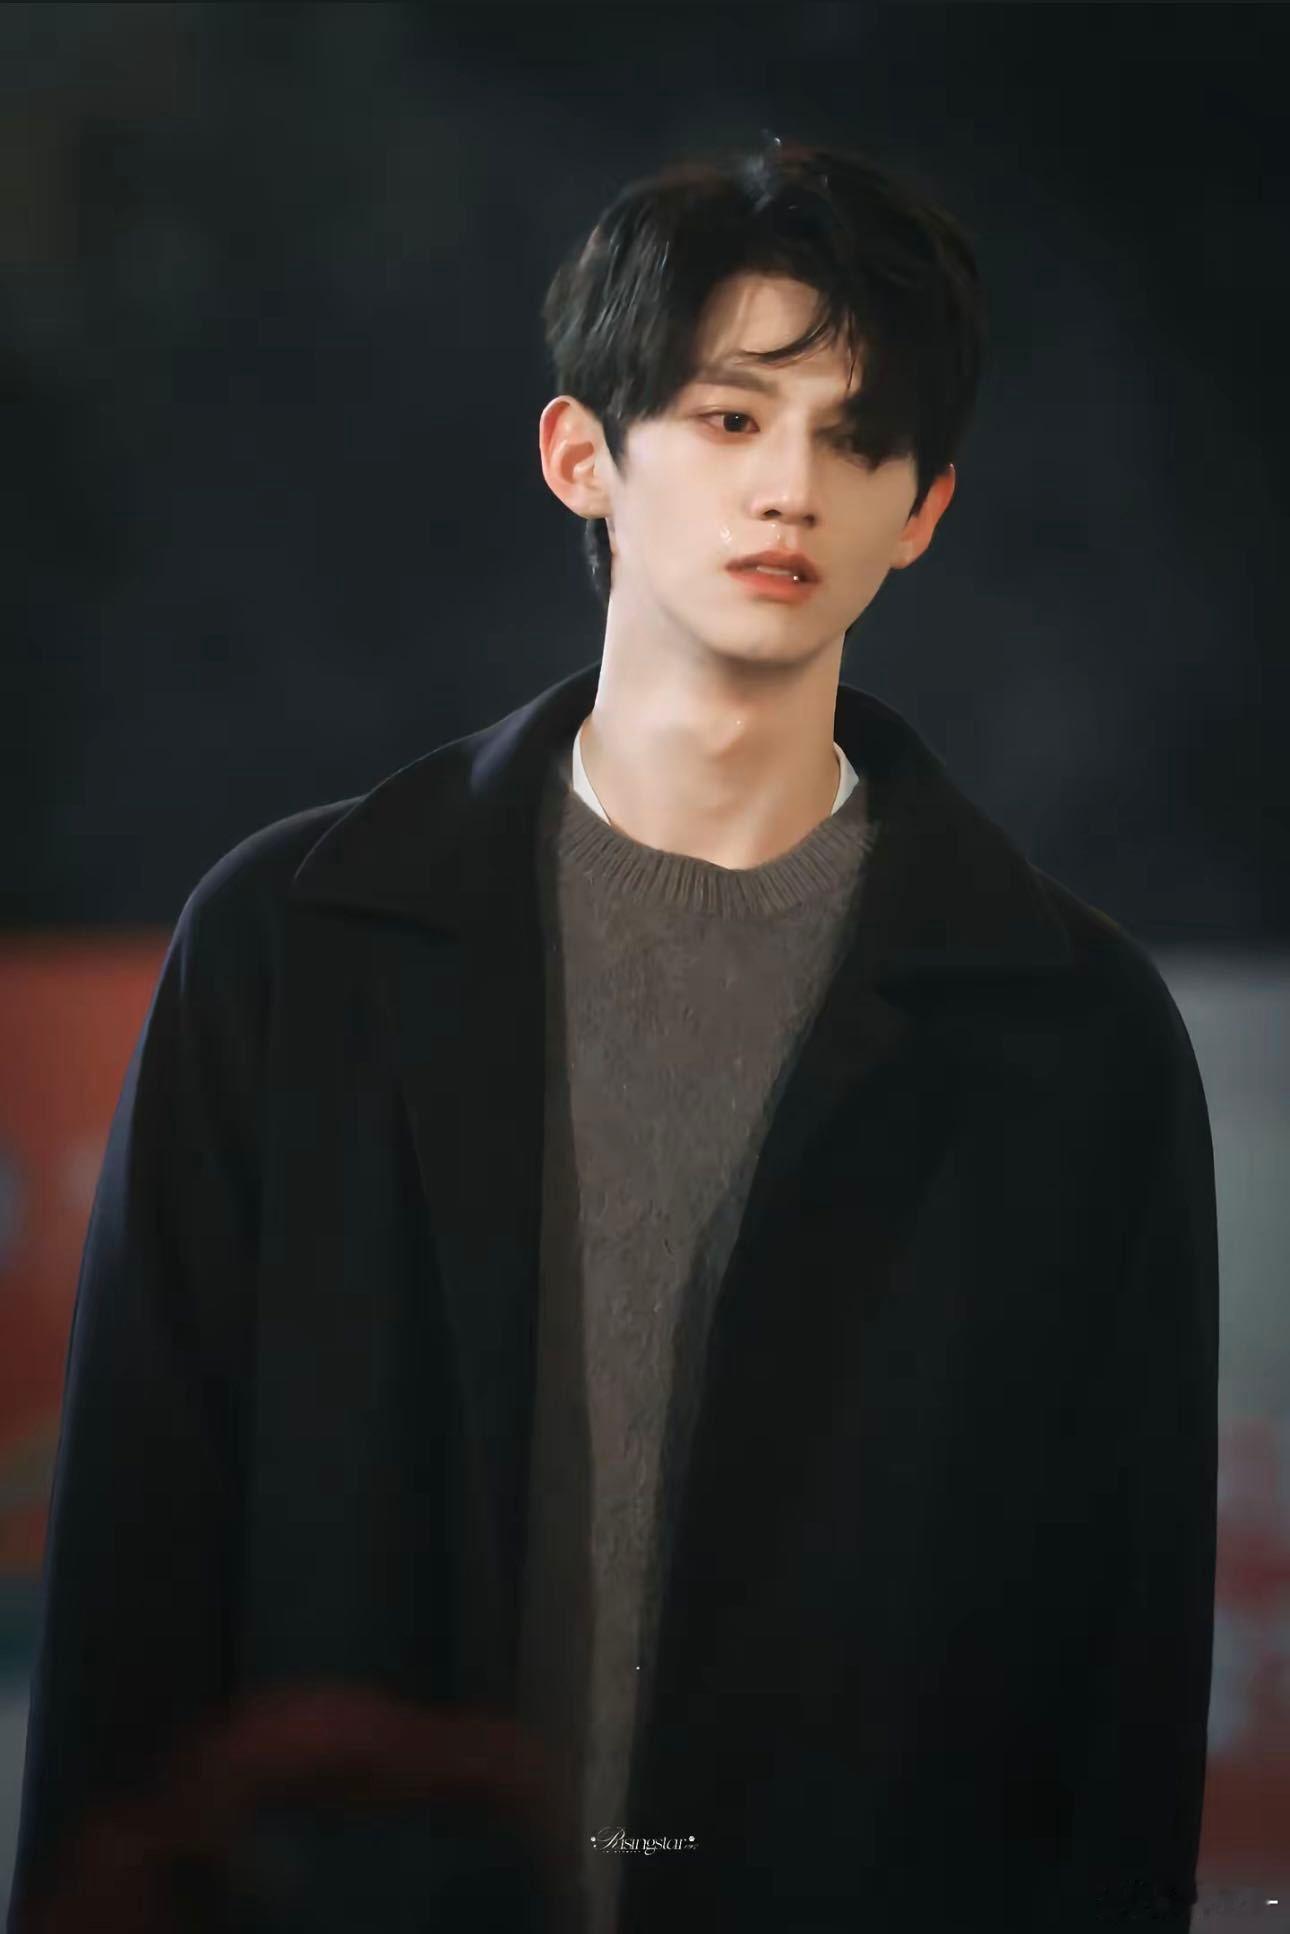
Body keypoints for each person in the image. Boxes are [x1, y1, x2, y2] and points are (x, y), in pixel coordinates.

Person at [9, 134, 1217, 1934]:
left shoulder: (1071, 1033)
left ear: (923, 509)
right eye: (730, 417)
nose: (791, 487)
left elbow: (1115, 1680)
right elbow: (137, 1567)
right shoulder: (291, 949)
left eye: (856, 438)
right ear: (583, 453)